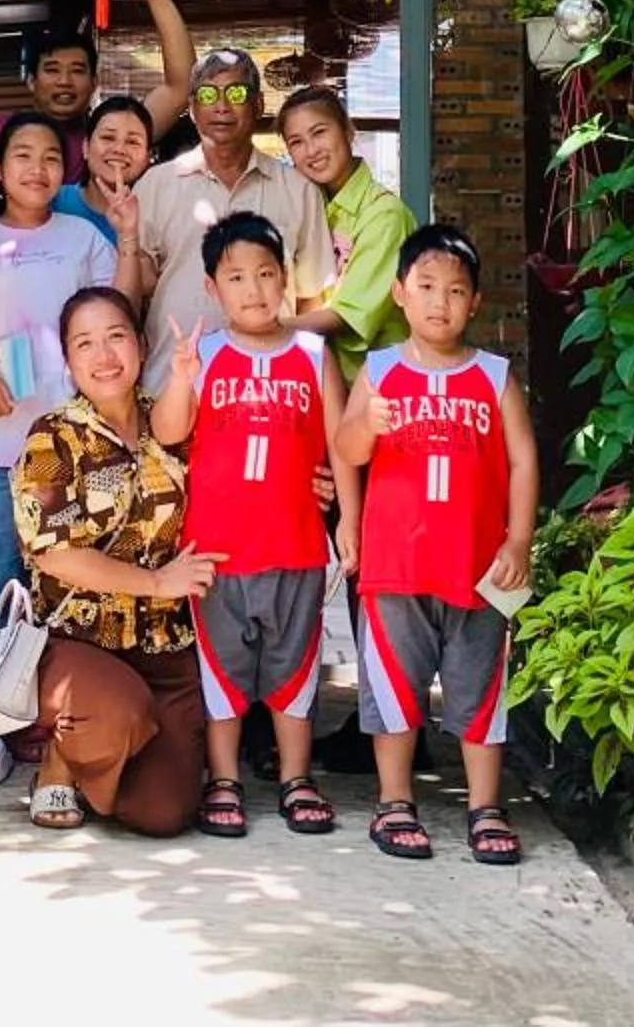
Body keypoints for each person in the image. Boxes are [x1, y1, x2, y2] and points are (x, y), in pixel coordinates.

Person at [151, 212, 358, 839]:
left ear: (286, 279)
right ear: (213, 288)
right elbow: (167, 432)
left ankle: (297, 777)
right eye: (236, 277)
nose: (254, 289)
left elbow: (342, 444)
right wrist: (183, 379)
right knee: (222, 673)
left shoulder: (314, 354)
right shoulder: (205, 355)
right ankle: (225, 780)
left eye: (266, 274)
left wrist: (348, 521)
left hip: (295, 546)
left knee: (295, 669)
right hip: (217, 553)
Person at [337, 223, 539, 868]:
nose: (439, 302)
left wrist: (520, 539)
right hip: (396, 564)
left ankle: (485, 807)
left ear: (475, 302)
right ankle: (395, 801)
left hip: (477, 568)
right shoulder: (379, 370)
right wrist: (365, 425)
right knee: (395, 689)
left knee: (479, 689)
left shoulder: (494, 376)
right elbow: (345, 449)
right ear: (399, 293)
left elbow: (524, 460)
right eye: (425, 287)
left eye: (455, 290)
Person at [0, 111, 126, 784]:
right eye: (23, 155)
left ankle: (54, 725)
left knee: (66, 583)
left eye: (52, 157)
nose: (38, 168)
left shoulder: (84, 240)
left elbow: (116, 315)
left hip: (70, 445)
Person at [12, 286, 217, 835]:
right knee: (113, 712)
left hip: (165, 649)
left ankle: (103, 759)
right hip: (78, 641)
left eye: (116, 337)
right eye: (85, 344)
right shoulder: (51, 438)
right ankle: (59, 761)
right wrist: (154, 581)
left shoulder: (172, 422)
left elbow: (238, 472)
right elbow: (53, 554)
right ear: (68, 359)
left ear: (142, 345)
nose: (104, 357)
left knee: (164, 812)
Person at [130, 48, 334, 393]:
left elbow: (311, 301)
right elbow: (136, 291)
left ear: (258, 106)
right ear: (192, 109)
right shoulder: (154, 185)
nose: (222, 106)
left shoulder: (298, 191)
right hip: (172, 389)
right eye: (208, 95)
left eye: (236, 94)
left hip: (267, 391)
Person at [0, 0, 197, 182]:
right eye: (52, 70)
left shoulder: (107, 136)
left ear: (94, 82)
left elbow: (180, 89)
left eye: (77, 71)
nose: (64, 81)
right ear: (31, 81)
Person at [279, 84, 414, 387]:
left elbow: (346, 316)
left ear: (348, 130)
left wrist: (264, 330)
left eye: (319, 132)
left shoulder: (384, 215)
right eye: (296, 142)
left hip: (376, 390)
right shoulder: (304, 208)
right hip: (320, 386)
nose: (311, 150)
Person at [51, 93, 154, 245]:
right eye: (108, 138)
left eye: (132, 142)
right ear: (85, 147)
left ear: (147, 157)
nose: (119, 149)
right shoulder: (52, 201)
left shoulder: (156, 213)